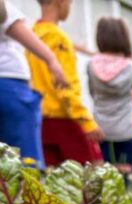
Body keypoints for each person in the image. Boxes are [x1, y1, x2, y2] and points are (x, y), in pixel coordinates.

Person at [29, 0, 102, 166]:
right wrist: (86, 121)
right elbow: (66, 87)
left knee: (53, 180)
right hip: (66, 118)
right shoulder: (59, 39)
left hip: (40, 120)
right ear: (60, 2)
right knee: (91, 175)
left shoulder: (31, 36)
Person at [0, 0, 67, 166]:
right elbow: (19, 31)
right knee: (25, 158)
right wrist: (52, 60)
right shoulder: (5, 8)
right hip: (10, 87)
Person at [87, 17, 132, 183]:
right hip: (127, 129)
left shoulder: (91, 65)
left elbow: (92, 92)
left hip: (100, 128)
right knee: (125, 177)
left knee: (103, 178)